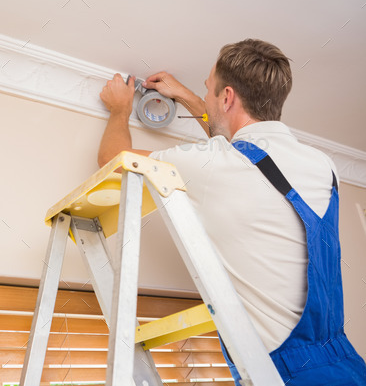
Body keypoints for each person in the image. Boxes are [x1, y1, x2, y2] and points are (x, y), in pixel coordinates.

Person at [98, 39, 366, 385]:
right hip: (347, 365)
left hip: (287, 376)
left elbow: (113, 159)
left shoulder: (215, 164)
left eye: (208, 90)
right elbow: (236, 155)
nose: (205, 96)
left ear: (226, 98)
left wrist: (119, 109)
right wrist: (192, 99)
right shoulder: (323, 166)